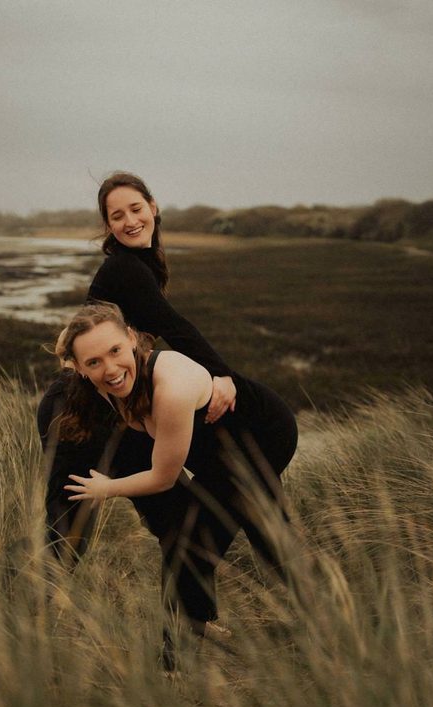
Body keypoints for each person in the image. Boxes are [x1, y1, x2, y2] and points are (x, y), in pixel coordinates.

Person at [56, 302, 298, 654]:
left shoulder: (171, 386)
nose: (110, 369)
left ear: (131, 339)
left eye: (115, 351)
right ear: (78, 368)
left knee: (189, 544)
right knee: (260, 532)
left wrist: (106, 488)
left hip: (262, 436)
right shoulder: (99, 384)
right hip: (216, 449)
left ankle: (174, 662)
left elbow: (164, 478)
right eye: (93, 362)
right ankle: (319, 617)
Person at [37, 172, 238, 567]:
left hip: (119, 404)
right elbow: (172, 326)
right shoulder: (123, 268)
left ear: (153, 206)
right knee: (68, 526)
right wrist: (222, 375)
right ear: (108, 225)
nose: (129, 221)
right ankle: (35, 615)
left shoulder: (142, 263)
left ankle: (191, 619)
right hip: (76, 405)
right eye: (116, 216)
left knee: (180, 516)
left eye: (135, 209)